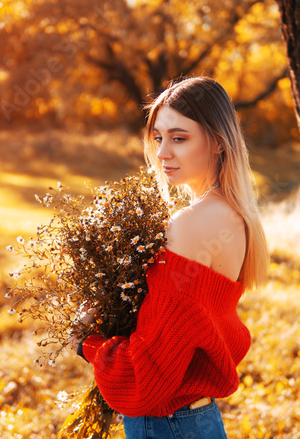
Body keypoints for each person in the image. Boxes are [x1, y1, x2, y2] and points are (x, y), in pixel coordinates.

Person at [72, 76, 269, 438]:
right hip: (198, 418)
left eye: (179, 138)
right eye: (158, 137)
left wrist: (88, 342)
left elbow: (147, 377)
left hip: (166, 423)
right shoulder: (235, 215)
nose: (163, 152)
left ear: (218, 143)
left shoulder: (188, 225)